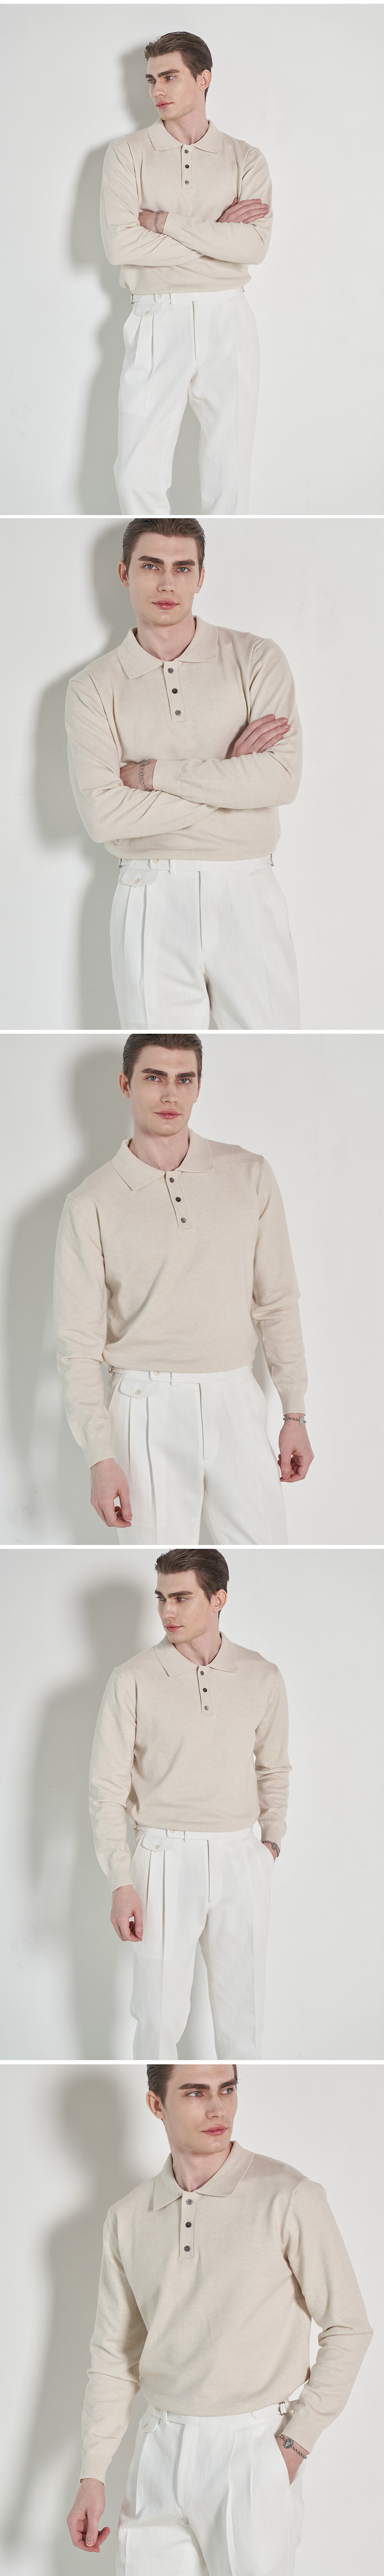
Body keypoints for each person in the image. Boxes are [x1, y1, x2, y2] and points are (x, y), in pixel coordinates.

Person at [66, 2061, 372, 2567]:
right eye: (195, 2092)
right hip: (158, 2449)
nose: (217, 2108)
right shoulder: (128, 2217)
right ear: (156, 2104)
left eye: (227, 2089)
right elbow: (114, 2355)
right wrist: (93, 2473)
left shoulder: (288, 2195)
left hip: (252, 2449)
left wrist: (294, 2445)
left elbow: (349, 2327)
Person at [53, 1031, 313, 1547]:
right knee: (156, 1560)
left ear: (198, 1086)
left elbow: (278, 1301)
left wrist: (294, 1412)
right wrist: (100, 1457)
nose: (171, 1094)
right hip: (143, 1405)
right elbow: (77, 1344)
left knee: (265, 1551)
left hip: (237, 1398)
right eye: (154, 1078)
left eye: (184, 1079)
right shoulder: (91, 1202)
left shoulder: (249, 1174)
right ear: (126, 1084)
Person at [65, 517, 302, 1033]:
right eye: (151, 566)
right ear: (125, 574)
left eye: (182, 568)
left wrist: (154, 774)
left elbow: (280, 779)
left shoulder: (256, 658)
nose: (167, 583)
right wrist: (234, 776)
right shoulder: (93, 687)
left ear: (200, 577)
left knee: (271, 1047)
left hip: (247, 887)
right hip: (150, 891)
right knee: (160, 1048)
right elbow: (105, 818)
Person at [89, 1547, 290, 2058]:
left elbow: (273, 1767)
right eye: (161, 1598)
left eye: (181, 1597)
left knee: (243, 2019)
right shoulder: (132, 1678)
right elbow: (106, 1789)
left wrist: (270, 1843)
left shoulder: (262, 1675)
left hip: (241, 1856)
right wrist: (120, 1880)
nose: (167, 1611)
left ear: (218, 1599)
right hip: (162, 1856)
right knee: (157, 2017)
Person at [100, 30, 273, 514]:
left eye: (170, 76)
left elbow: (254, 246)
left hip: (228, 319)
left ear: (204, 79)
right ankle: (151, 548)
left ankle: (224, 553)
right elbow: (121, 245)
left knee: (230, 475)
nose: (157, 89)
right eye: (151, 79)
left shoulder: (246, 158)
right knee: (136, 474)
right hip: (158, 316)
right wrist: (218, 236)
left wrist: (165, 223)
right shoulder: (127, 153)